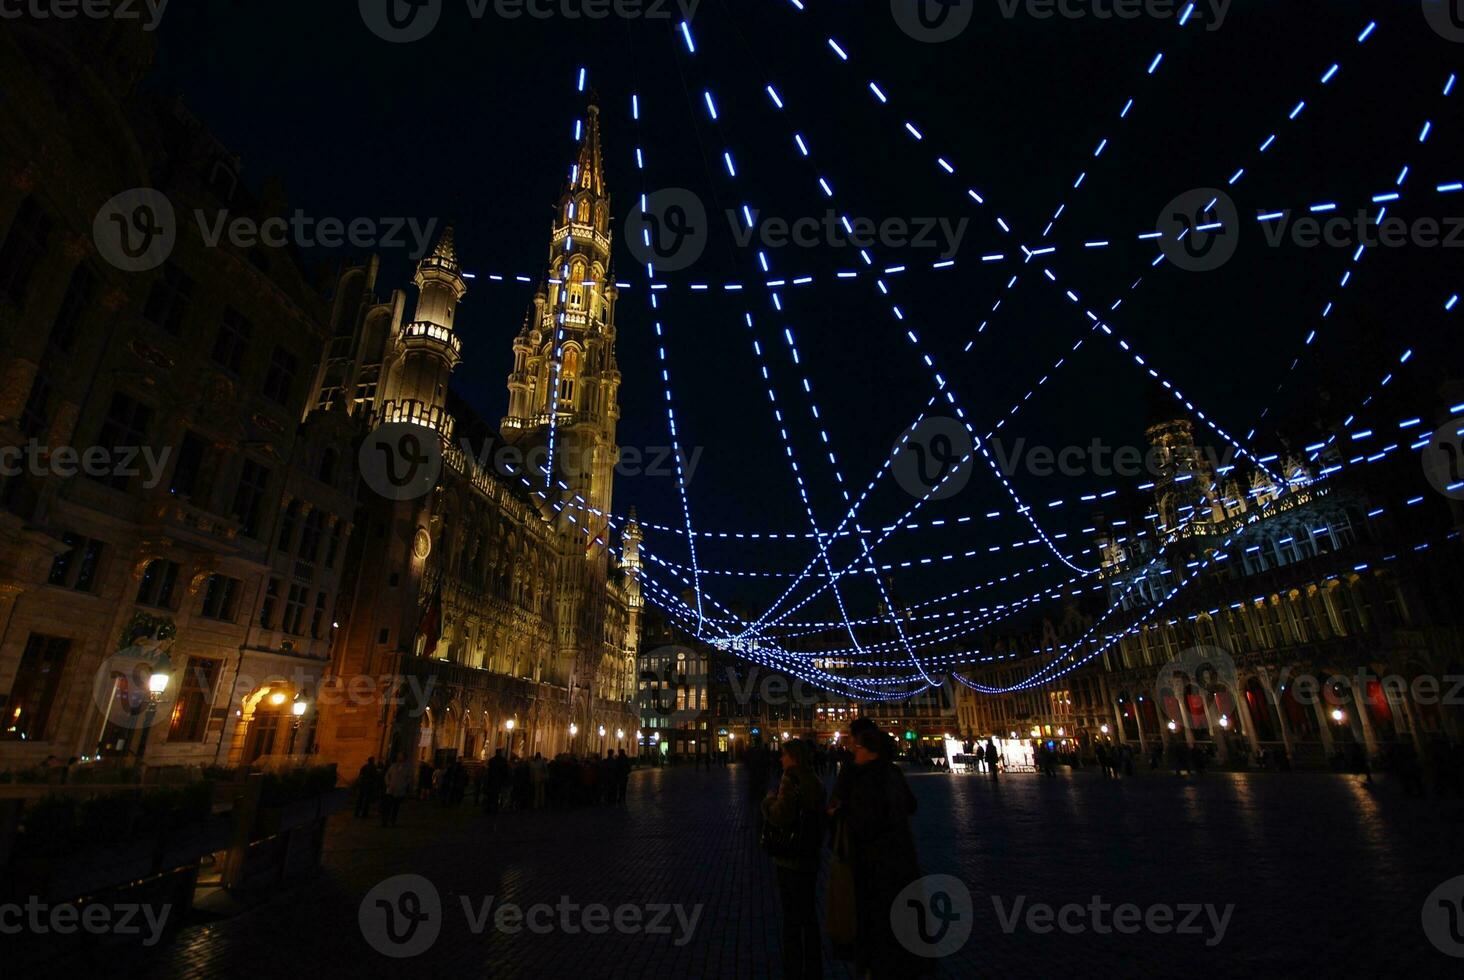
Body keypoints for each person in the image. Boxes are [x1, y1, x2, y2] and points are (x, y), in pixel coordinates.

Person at [830, 726, 924, 978]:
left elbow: (865, 822)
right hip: (900, 864)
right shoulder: (890, 772)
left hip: (876, 867)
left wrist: (840, 813)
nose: (852, 749)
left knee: (878, 928)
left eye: (856, 746)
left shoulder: (867, 778)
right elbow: (910, 805)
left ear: (870, 751)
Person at [761, 739, 825, 980]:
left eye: (784, 755)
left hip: (790, 857)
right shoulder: (815, 781)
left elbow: (780, 815)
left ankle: (793, 965)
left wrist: (767, 801)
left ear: (793, 758)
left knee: (791, 916)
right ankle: (813, 964)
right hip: (810, 856)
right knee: (809, 915)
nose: (780, 759)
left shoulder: (790, 780)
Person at [381, 754, 413, 827]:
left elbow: (409, 778)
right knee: (387, 807)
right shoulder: (393, 766)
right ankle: (385, 821)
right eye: (399, 756)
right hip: (390, 789)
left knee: (395, 807)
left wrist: (404, 785)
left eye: (401, 757)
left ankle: (392, 821)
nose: (399, 758)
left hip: (399, 790)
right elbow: (387, 775)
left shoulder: (407, 768)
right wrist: (388, 783)